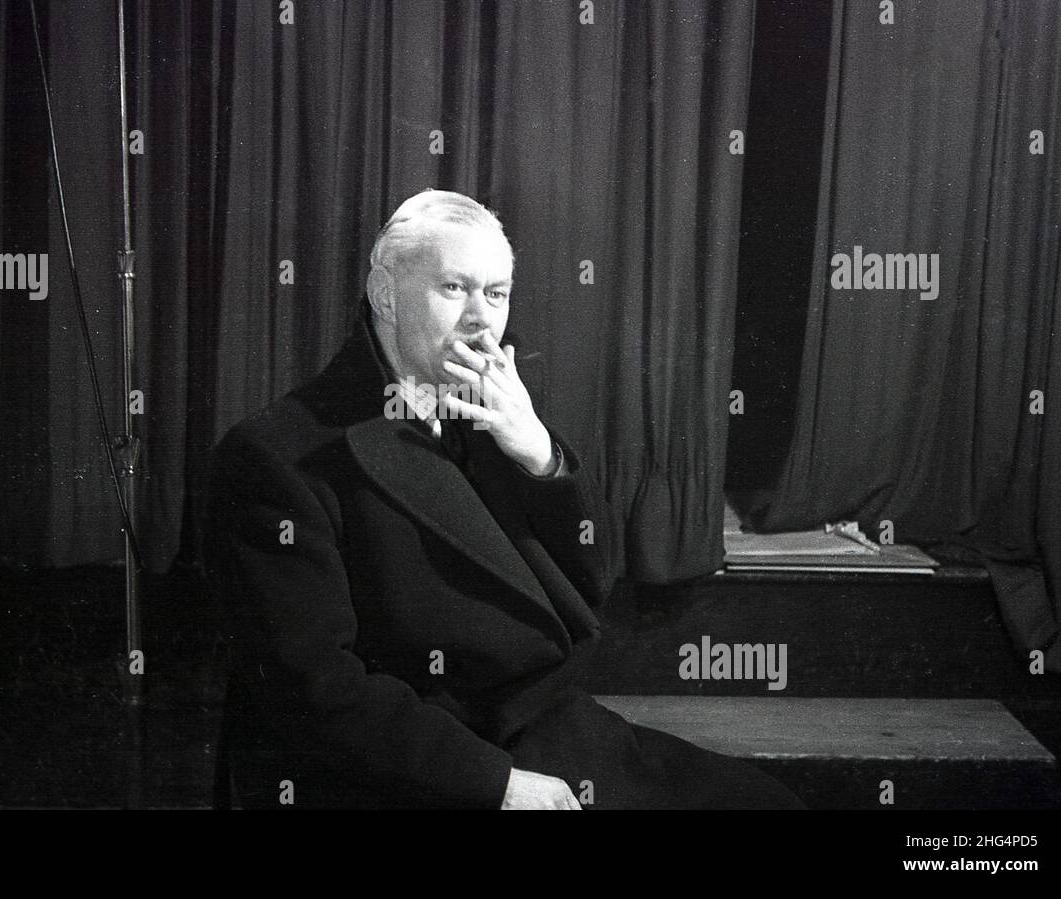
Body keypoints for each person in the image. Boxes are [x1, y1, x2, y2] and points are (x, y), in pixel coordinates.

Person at [205, 189, 803, 809]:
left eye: (495, 293)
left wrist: (541, 457)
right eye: (453, 288)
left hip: (538, 723)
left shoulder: (493, 415)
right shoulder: (278, 454)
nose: (480, 318)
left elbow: (589, 589)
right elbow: (313, 690)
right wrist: (494, 784)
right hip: (415, 769)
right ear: (385, 294)